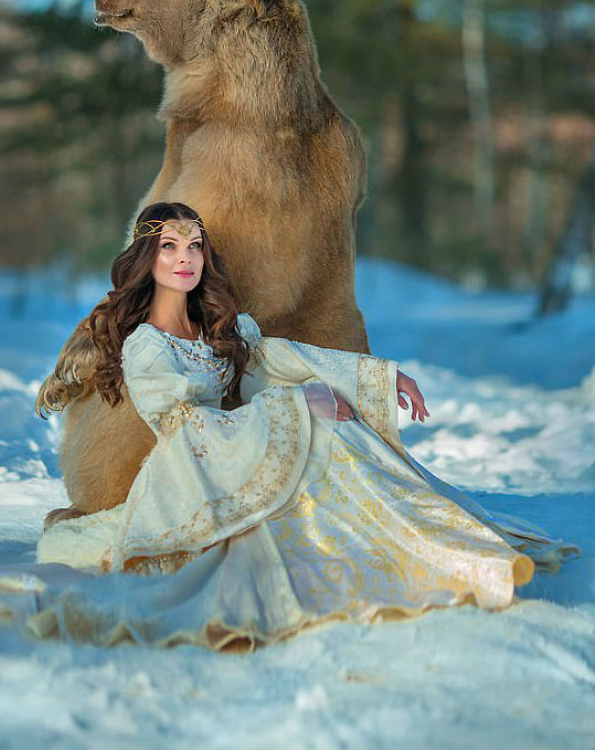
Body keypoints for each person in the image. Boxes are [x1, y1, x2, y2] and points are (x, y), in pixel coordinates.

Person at [33, 201, 579, 651]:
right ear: (146, 258)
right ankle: (391, 553)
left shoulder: (220, 328)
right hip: (195, 468)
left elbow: (282, 361)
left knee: (337, 423)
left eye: (194, 245)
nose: (185, 259)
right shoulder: (147, 348)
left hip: (239, 445)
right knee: (316, 419)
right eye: (170, 247)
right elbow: (186, 428)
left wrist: (381, 378)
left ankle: (417, 536)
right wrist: (298, 408)